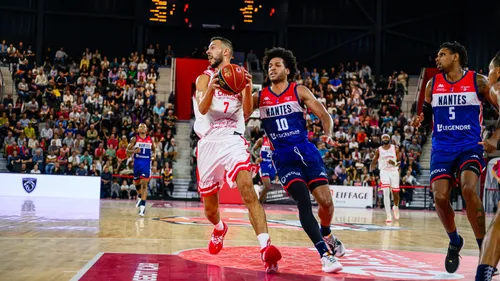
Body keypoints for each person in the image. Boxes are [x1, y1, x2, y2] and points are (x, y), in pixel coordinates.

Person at [251, 47, 345, 273]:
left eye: (277, 65)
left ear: (288, 69)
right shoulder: (259, 96)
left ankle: (327, 232)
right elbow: (239, 115)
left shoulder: (299, 90)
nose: (272, 68)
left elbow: (324, 115)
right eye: (270, 66)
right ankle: (325, 254)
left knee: (326, 203)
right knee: (303, 200)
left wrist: (328, 133)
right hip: (283, 157)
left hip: (306, 151)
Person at [193, 37, 281, 273]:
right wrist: (212, 86)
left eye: (212, 47)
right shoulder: (204, 78)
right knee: (210, 210)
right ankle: (220, 227)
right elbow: (202, 109)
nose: (208, 51)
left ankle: (266, 248)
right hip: (209, 141)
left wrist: (247, 89)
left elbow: (246, 111)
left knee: (247, 189)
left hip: (233, 139)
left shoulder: (241, 77)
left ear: (226, 51)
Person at [411, 41, 490, 274]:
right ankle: (455, 241)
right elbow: (426, 114)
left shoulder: (479, 82)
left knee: (468, 189)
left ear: (456, 57)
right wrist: (420, 121)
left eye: (442, 54)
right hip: (442, 147)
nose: (438, 59)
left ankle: (484, 249)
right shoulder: (432, 84)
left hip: (469, 145)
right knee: (440, 196)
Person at [476, 51, 500, 281]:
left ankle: (482, 276)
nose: (487, 76)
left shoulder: (496, 87)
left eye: (489, 71)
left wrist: (494, 138)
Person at [370, 134, 401, 222]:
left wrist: (394, 163)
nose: (385, 139)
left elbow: (399, 162)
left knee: (395, 193)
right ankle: (388, 215)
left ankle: (395, 207)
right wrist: (371, 168)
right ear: (381, 139)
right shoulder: (378, 150)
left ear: (389, 139)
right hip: (384, 172)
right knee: (386, 191)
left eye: (387, 137)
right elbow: (374, 160)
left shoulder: (395, 148)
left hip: (394, 171)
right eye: (384, 137)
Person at [127, 123, 155, 217]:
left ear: (147, 130)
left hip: (146, 163)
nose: (142, 128)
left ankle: (142, 208)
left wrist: (154, 155)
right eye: (140, 127)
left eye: (144, 127)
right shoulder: (134, 139)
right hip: (137, 164)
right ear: (138, 130)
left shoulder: (150, 139)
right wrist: (133, 151)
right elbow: (127, 150)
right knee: (137, 184)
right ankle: (139, 196)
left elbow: (154, 150)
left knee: (144, 185)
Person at [252, 135, 277, 203]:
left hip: (272, 164)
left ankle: (260, 206)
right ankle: (258, 204)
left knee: (266, 188)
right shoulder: (262, 140)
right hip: (263, 163)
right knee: (267, 186)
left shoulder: (276, 140)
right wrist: (256, 157)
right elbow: (252, 150)